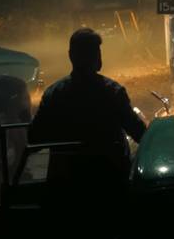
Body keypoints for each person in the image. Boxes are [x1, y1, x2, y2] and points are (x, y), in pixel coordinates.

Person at [29, 28, 147, 179]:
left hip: (65, 180)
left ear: (71, 56)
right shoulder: (113, 92)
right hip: (109, 178)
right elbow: (139, 133)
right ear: (97, 57)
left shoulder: (53, 95)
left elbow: (34, 139)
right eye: (97, 52)